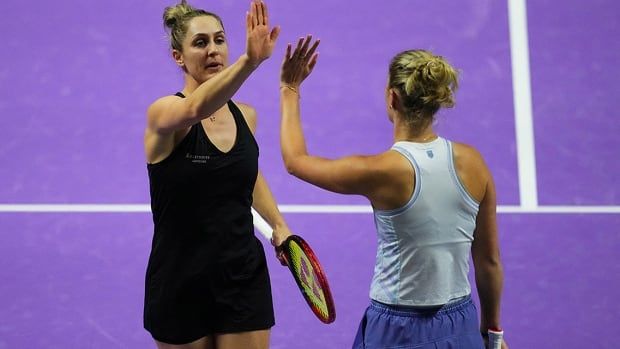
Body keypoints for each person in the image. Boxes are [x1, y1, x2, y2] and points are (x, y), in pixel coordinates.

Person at [277, 37, 509, 349]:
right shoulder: (474, 163)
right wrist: (493, 336)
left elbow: (296, 162)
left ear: (393, 98)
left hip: (397, 330)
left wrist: (289, 89)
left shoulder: (381, 171)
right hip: (461, 324)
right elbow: (489, 261)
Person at [143, 1, 291, 348]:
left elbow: (246, 175)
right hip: (180, 279)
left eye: (220, 40)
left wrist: (278, 223)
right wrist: (249, 61)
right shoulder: (164, 114)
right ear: (178, 56)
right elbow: (195, 108)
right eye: (200, 43)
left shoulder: (246, 117)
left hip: (241, 274)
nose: (213, 50)